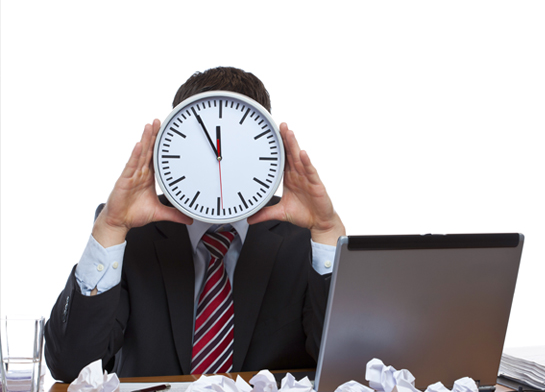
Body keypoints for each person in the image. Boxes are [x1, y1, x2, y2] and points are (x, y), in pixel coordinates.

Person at [44, 67, 346, 383]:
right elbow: (70, 367)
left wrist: (326, 232)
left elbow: (347, 368)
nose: (220, 159)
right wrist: (111, 226)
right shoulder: (130, 233)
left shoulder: (305, 238)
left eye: (238, 147)